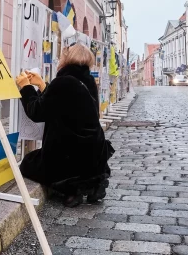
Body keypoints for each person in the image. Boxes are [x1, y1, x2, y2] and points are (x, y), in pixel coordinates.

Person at [15, 43, 114, 207]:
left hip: (68, 157)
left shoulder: (62, 82)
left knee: (28, 163)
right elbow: (63, 105)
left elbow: (37, 112)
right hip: (94, 154)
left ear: (66, 59)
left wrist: (25, 88)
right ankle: (93, 184)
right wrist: (42, 85)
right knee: (80, 161)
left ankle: (71, 190)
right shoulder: (88, 80)